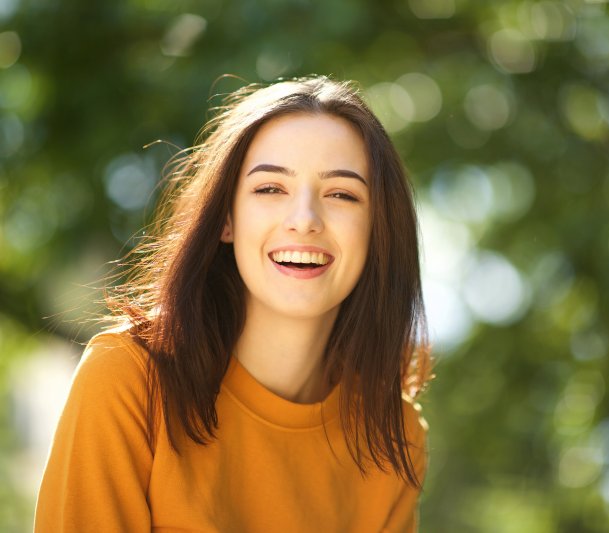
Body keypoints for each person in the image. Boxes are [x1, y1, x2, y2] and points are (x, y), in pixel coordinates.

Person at [34, 76, 432, 532]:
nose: (304, 220)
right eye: (269, 189)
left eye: (342, 194)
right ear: (226, 218)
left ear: (378, 230)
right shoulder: (130, 378)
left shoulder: (393, 432)